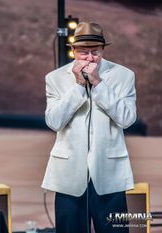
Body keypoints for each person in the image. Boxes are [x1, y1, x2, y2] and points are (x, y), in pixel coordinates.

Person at [42, 22, 136, 233]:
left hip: (109, 173)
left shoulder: (124, 76)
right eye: (83, 53)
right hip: (68, 174)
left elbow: (127, 119)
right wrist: (78, 87)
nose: (90, 58)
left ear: (103, 50)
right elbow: (54, 122)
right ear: (73, 50)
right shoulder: (55, 78)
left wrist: (99, 84)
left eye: (95, 52)